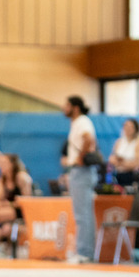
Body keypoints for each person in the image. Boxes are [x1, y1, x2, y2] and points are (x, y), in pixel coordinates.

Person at [62, 96, 99, 261]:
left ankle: (84, 252)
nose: (64, 108)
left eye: (67, 105)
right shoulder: (77, 122)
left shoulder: (82, 121)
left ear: (75, 107)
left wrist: (80, 157)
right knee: (84, 213)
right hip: (80, 171)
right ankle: (86, 251)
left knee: (82, 214)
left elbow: (89, 139)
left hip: (81, 171)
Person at [109, 118, 139, 188]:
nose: (128, 129)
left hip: (131, 176)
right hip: (118, 175)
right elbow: (111, 158)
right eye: (126, 126)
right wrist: (122, 162)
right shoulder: (119, 142)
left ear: (135, 129)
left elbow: (137, 163)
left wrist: (121, 162)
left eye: (130, 127)